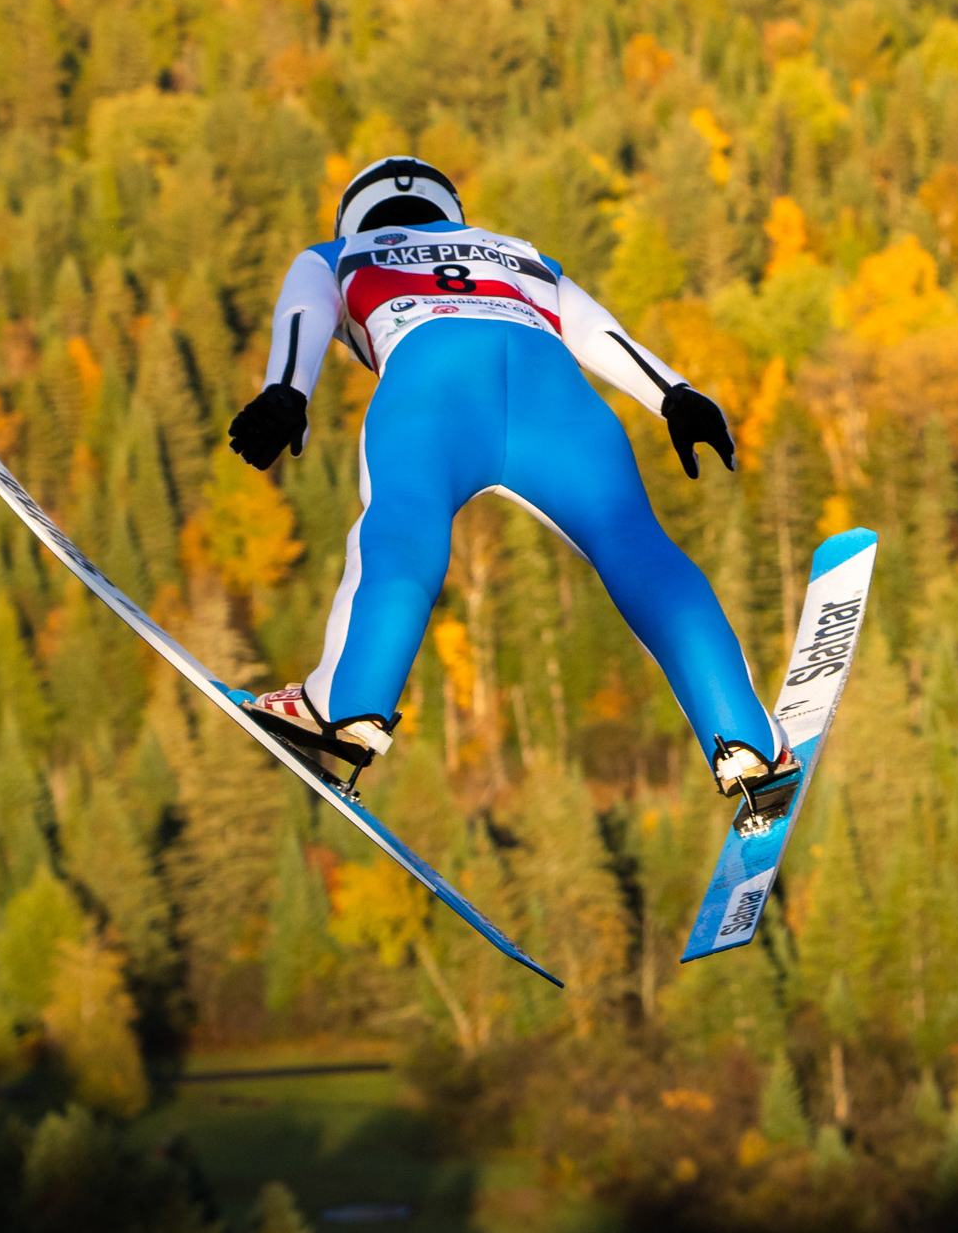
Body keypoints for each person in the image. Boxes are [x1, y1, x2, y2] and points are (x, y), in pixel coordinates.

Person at [222, 153, 796, 815]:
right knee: (637, 548)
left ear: (354, 212)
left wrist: (286, 394)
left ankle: (348, 703)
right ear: (450, 211)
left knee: (404, 523)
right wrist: (677, 396)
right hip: (553, 391)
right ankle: (747, 739)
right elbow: (599, 331)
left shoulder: (335, 253)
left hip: (430, 380)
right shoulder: (516, 252)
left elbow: (304, 321)